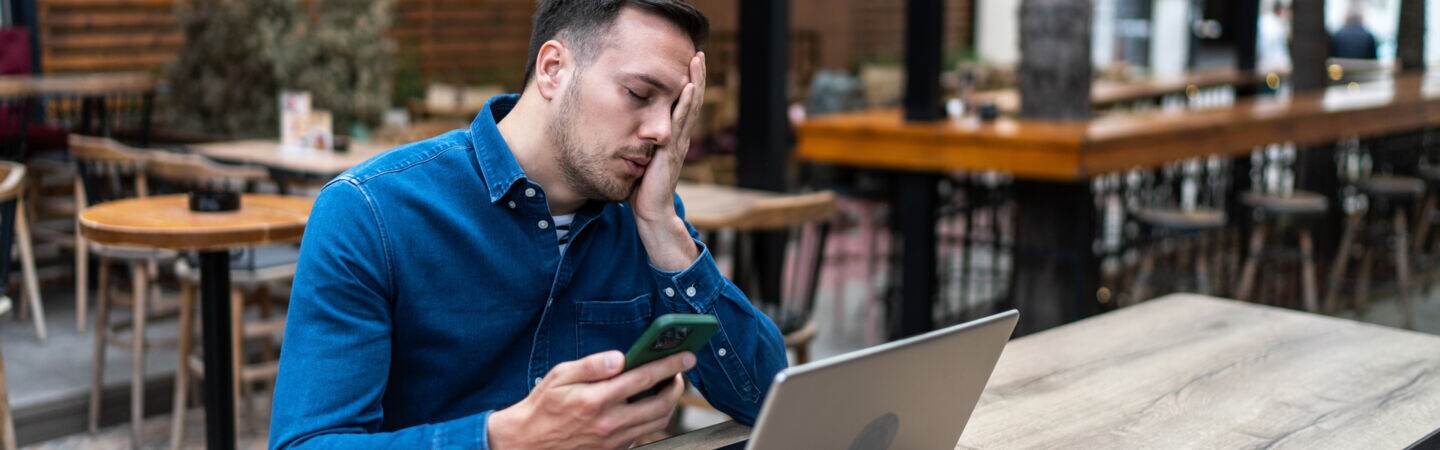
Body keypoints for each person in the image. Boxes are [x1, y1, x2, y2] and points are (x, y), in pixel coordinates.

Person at [268, 1, 789, 448]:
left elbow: (772, 402)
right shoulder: (369, 213)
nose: (660, 132)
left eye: (676, 111)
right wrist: (505, 438)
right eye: (638, 94)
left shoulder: (645, 218)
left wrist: (662, 230)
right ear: (553, 68)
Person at [1256, 1, 1291, 73]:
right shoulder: (1276, 24)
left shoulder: (1265, 20)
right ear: (1280, 10)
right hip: (1272, 66)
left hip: (1265, 64)